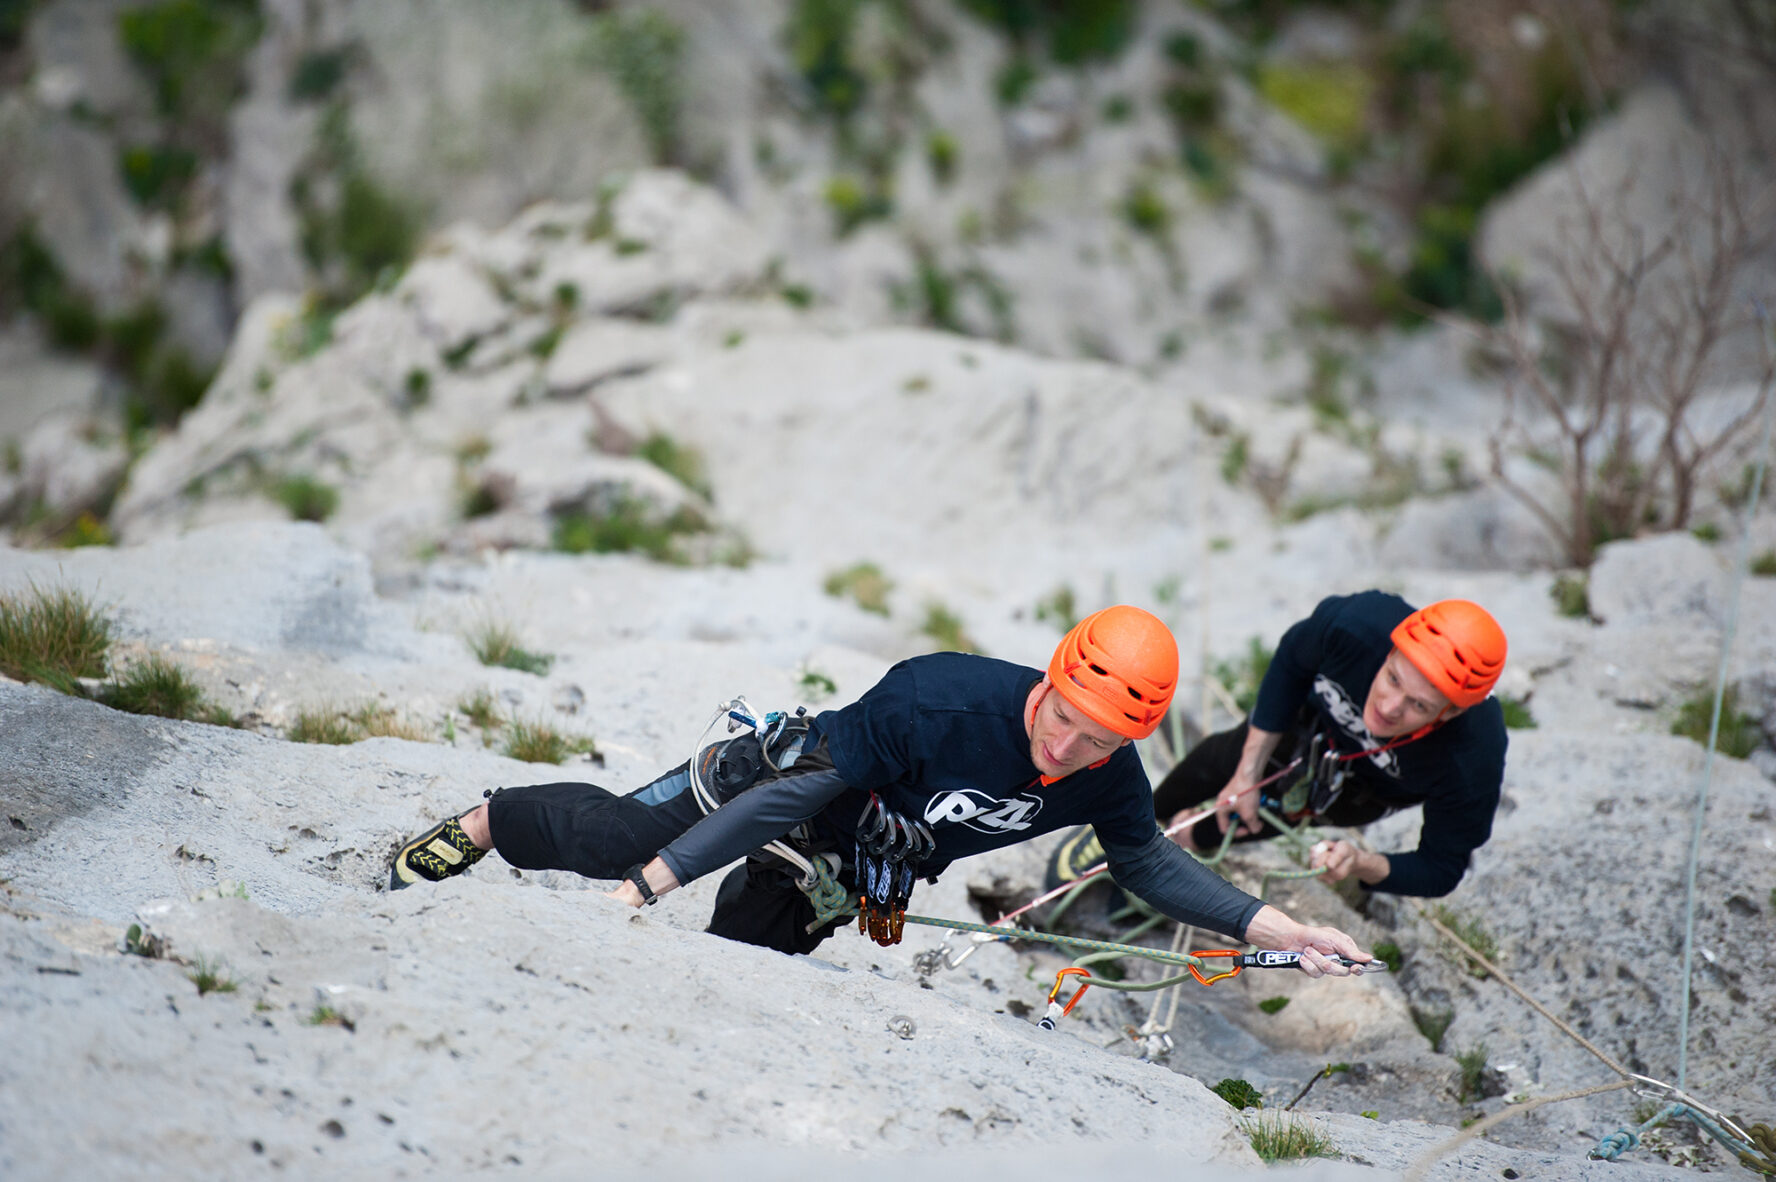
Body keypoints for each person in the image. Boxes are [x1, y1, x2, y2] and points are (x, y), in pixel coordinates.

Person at [388, 605, 1371, 976]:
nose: (1072, 744)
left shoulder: (1107, 770)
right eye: (1066, 714)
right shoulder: (937, 697)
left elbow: (1148, 860)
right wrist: (652, 883)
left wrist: (1274, 929)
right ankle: (487, 819)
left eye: (1103, 738)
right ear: (1052, 675)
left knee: (743, 971)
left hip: (852, 855)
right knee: (615, 841)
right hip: (789, 781)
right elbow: (799, 789)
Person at [1145, 592, 1508, 898]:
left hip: (1372, 788)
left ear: (1450, 713)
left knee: (1269, 813)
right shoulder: (1355, 626)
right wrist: (1246, 773)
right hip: (1317, 721)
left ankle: (1176, 846)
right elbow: (1291, 662)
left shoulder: (1471, 759)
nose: (1388, 707)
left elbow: (1441, 869)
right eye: (1392, 679)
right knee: (1228, 757)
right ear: (1389, 652)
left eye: (1419, 705)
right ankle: (1139, 826)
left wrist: (1360, 863)